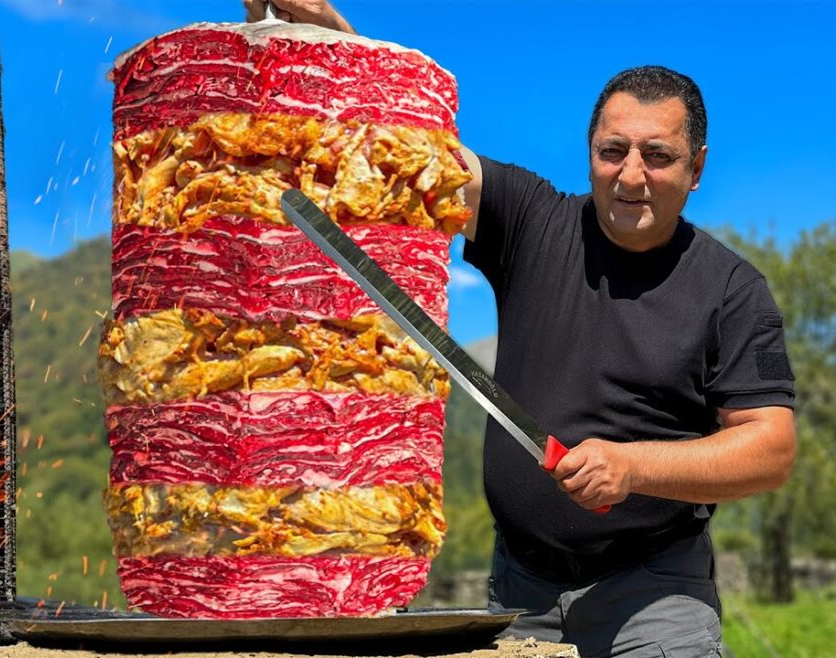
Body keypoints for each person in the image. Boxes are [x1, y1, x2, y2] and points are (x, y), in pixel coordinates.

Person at [244, 2, 798, 656]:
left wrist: (631, 466)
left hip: (653, 591)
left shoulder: (731, 289)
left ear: (697, 168)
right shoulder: (533, 220)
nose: (630, 175)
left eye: (659, 156)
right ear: (589, 151)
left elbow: (770, 449)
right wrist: (342, 54)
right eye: (612, 151)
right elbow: (414, 153)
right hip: (519, 585)